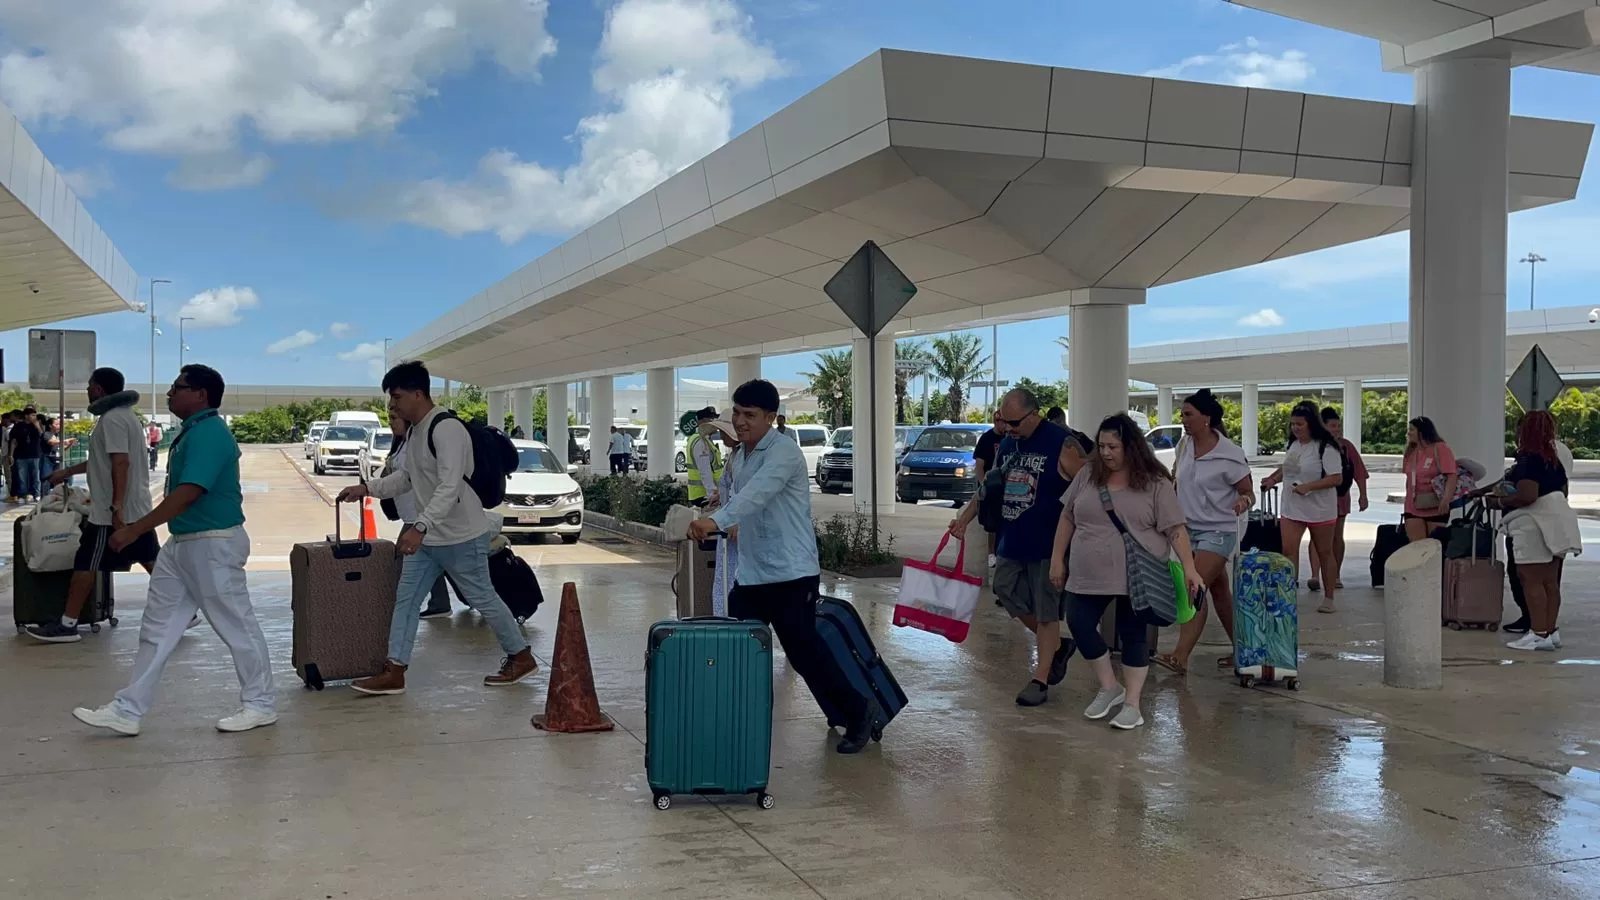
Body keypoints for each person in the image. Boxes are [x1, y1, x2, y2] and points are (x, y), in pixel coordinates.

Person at [71, 364, 277, 736]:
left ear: (200, 394)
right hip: (182, 543)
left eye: (176, 388)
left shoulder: (211, 433)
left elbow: (189, 492)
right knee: (157, 627)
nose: (169, 394)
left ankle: (260, 704)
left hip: (213, 543)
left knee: (236, 625)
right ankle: (127, 709)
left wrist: (135, 528)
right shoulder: (193, 431)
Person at [687, 379, 873, 755]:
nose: (740, 422)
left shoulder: (784, 452)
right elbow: (746, 505)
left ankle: (858, 711)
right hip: (752, 575)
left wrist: (718, 520)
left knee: (804, 655)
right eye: (737, 413)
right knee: (737, 651)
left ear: (770, 418)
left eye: (749, 415)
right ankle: (742, 719)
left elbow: (758, 495)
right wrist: (723, 520)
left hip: (791, 573)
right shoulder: (740, 457)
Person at [336, 361, 536, 694]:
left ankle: (520, 656)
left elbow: (450, 485)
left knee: (484, 598)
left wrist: (420, 527)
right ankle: (394, 670)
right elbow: (409, 477)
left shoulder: (445, 429)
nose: (393, 405)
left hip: (460, 536)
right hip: (429, 539)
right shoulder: (415, 430)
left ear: (418, 393)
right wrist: (368, 488)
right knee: (406, 600)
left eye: (397, 397)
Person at [1053, 413, 1202, 731]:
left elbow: (1176, 529)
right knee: (1078, 621)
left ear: (1130, 446)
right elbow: (1067, 517)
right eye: (1101, 445)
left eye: (1113, 446)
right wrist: (1057, 559)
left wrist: (1190, 568)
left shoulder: (1155, 482)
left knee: (1133, 634)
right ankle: (1110, 687)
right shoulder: (1088, 475)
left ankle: (1132, 704)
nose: (1105, 453)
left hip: (1140, 572)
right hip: (1087, 572)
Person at [28, 370, 178, 643]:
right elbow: (104, 461)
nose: (87, 391)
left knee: (86, 563)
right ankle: (182, 613)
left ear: (98, 389)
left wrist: (116, 509)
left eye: (89, 386)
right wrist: (67, 471)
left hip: (110, 513)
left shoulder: (112, 420)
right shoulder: (127, 417)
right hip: (134, 508)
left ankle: (68, 624)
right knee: (151, 561)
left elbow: (121, 463)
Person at [958, 387, 1078, 708]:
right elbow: (990, 486)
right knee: (1005, 589)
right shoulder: (1009, 444)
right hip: (1013, 536)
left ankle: (1040, 678)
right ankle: (1057, 647)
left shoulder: (1060, 442)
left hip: (1047, 542)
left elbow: (1087, 486)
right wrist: (963, 519)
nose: (1007, 429)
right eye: (1003, 422)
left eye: (1013, 423)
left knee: (1047, 609)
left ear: (1033, 414)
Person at [1153, 389, 1253, 675]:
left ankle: (1180, 656)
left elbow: (1248, 491)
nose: (1183, 420)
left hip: (1220, 531)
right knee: (1220, 591)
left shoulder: (1229, 454)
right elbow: (1176, 481)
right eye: (1182, 414)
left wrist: (1243, 501)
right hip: (1188, 529)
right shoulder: (1183, 446)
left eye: (1188, 415)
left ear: (1206, 418)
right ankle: (1244, 652)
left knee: (1193, 587)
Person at [1486, 410, 1581, 652]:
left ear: (1524, 432)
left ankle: (1537, 633)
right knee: (1550, 582)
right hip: (1558, 522)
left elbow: (1527, 495)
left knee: (1531, 580)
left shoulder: (1529, 459)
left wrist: (1498, 502)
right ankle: (1550, 631)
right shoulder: (1552, 459)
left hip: (1533, 525)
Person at [1261, 403, 1344, 613]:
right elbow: (1288, 468)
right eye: (1293, 424)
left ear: (1311, 424)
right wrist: (1273, 479)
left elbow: (1336, 478)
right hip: (1292, 508)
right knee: (1288, 551)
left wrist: (1308, 487)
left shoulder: (1326, 447)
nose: (1296, 428)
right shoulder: (1294, 445)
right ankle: (1288, 594)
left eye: (1300, 424)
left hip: (1320, 510)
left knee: (1325, 552)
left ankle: (1329, 597)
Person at [382, 411, 456, 619]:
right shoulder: (401, 444)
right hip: (409, 513)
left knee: (402, 556)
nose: (391, 424)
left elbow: (406, 478)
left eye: (394, 419)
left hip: (418, 514)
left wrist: (374, 487)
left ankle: (401, 607)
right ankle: (439, 603)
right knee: (429, 561)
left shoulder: (415, 445)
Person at [1306, 406, 1368, 593]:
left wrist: (1363, 496)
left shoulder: (1347, 446)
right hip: (1317, 498)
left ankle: (1336, 574)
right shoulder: (1313, 445)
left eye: (1338, 426)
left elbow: (1359, 472)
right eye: (1333, 426)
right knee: (1316, 536)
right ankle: (1315, 575)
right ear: (1322, 426)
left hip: (1340, 497)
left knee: (1336, 536)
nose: (1337, 430)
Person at [1401, 416, 1457, 543]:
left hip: (1435, 504)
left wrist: (1446, 499)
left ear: (1422, 432)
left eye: (1412, 430)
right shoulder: (1411, 452)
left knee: (1434, 547)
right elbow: (1409, 479)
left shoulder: (1440, 449)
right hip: (1413, 506)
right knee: (1416, 547)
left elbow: (1451, 475)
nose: (1408, 433)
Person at [705, 419, 741, 617]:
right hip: (725, 524)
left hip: (733, 528)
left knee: (731, 575)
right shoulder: (733, 456)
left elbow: (742, 490)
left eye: (724, 432)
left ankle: (729, 617)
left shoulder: (742, 458)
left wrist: (736, 519)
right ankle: (722, 615)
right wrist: (720, 495)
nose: (722, 436)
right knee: (724, 574)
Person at [970, 411, 1006, 569]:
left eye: (1004, 421)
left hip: (1007, 486)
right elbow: (979, 464)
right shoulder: (986, 439)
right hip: (991, 486)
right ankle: (991, 553)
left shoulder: (1011, 438)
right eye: (998, 421)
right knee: (992, 522)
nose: (1002, 424)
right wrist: (984, 483)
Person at [684, 406, 724, 507]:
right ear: (703, 421)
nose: (715, 421)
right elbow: (704, 471)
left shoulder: (704, 439)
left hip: (704, 494)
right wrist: (712, 494)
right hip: (704, 496)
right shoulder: (700, 442)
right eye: (712, 418)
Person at [10, 406, 43, 501]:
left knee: (36, 476)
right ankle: (23, 494)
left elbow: (42, 435)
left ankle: (37, 494)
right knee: (22, 477)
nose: (34, 417)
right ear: (26, 416)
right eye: (33, 415)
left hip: (35, 455)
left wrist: (37, 426)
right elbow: (13, 441)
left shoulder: (37, 425)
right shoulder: (18, 426)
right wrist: (11, 455)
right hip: (21, 455)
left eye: (35, 415)